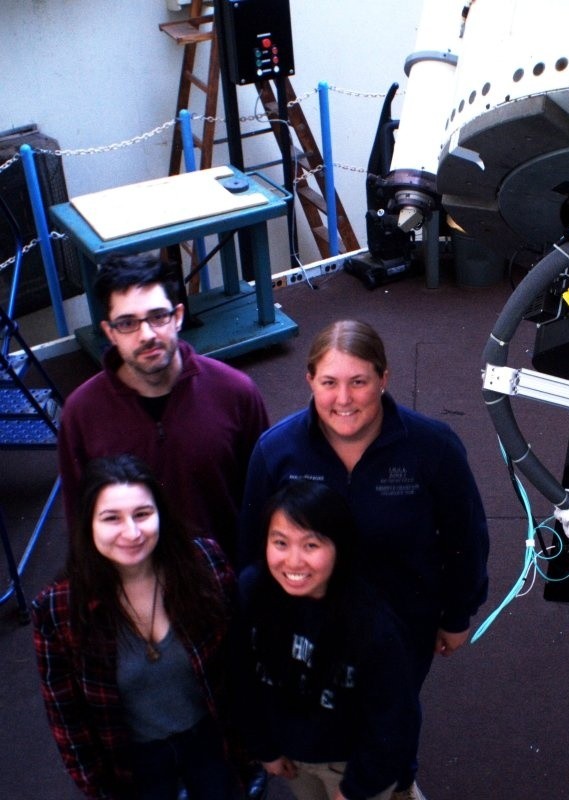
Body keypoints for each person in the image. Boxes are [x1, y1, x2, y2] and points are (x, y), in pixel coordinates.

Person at [238, 319, 489, 800]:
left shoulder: (432, 448)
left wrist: (458, 614)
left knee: (391, 714)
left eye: (359, 381)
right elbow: (252, 545)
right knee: (321, 709)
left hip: (404, 624)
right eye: (329, 382)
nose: (344, 399)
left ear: (384, 379)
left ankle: (394, 781)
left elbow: (467, 537)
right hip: (307, 626)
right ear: (309, 380)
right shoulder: (276, 452)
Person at [31, 454, 240, 799]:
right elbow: (67, 719)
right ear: (88, 525)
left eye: (142, 514)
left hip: (211, 740)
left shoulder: (206, 564)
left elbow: (238, 665)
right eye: (111, 518)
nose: (132, 532)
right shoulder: (58, 609)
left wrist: (246, 750)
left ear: (161, 515)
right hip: (135, 759)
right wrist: (99, 788)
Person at [58, 252, 270, 560]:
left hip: (228, 586)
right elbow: (80, 523)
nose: (147, 335)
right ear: (110, 332)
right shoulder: (81, 415)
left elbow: (266, 501)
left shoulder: (236, 393)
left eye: (158, 316)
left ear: (179, 316)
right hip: (134, 592)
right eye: (128, 323)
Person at [234, 479, 420, 800]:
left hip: (352, 764)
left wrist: (356, 789)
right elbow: (241, 678)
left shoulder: (372, 623)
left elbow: (393, 720)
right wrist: (264, 748)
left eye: (311, 545)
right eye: (280, 542)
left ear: (339, 548)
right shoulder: (252, 592)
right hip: (294, 758)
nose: (293, 561)